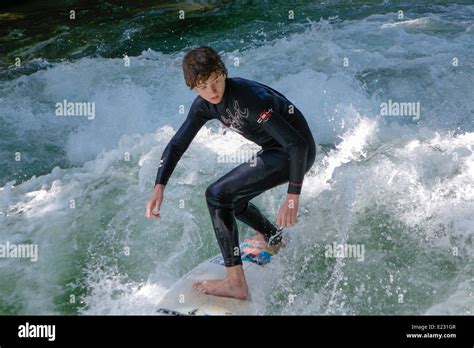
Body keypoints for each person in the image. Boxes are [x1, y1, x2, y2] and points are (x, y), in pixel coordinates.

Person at [145, 46, 316, 300]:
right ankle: (273, 237)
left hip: (294, 154)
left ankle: (236, 284)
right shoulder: (204, 104)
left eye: (215, 81)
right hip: (274, 149)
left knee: (217, 195)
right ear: (193, 87)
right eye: (202, 87)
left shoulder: (252, 100)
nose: (211, 92)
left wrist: (292, 196)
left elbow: (297, 144)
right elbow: (177, 144)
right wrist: (159, 186)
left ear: (223, 73)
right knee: (230, 199)